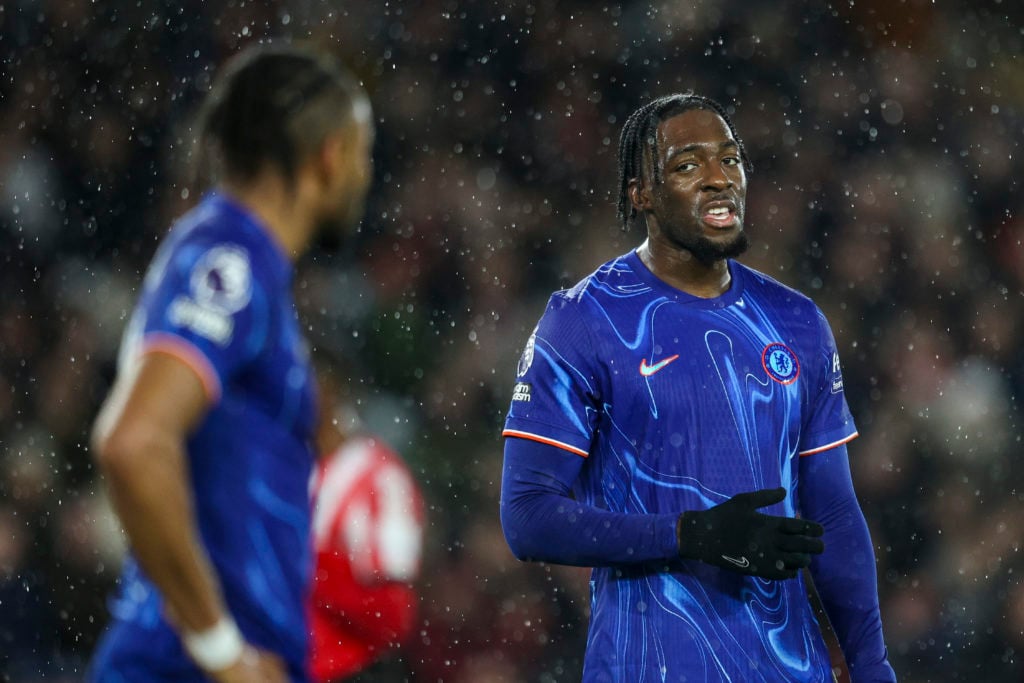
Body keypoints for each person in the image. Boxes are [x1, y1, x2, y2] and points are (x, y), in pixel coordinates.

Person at [499, 93, 897, 682]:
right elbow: (527, 517)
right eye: (687, 166)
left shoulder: (798, 322)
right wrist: (689, 535)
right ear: (642, 194)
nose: (718, 179)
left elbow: (834, 513)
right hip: (648, 667)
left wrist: (872, 665)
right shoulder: (585, 321)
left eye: (730, 160)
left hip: (790, 670)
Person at [87, 44, 373, 683]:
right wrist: (221, 651)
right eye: (362, 153)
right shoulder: (228, 260)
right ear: (328, 155)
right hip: (176, 667)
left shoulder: (255, 274)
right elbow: (133, 442)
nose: (363, 176)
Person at [308, 386, 425, 683]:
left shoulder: (380, 477)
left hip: (348, 671)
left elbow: (392, 614)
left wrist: (303, 563)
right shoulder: (272, 464)